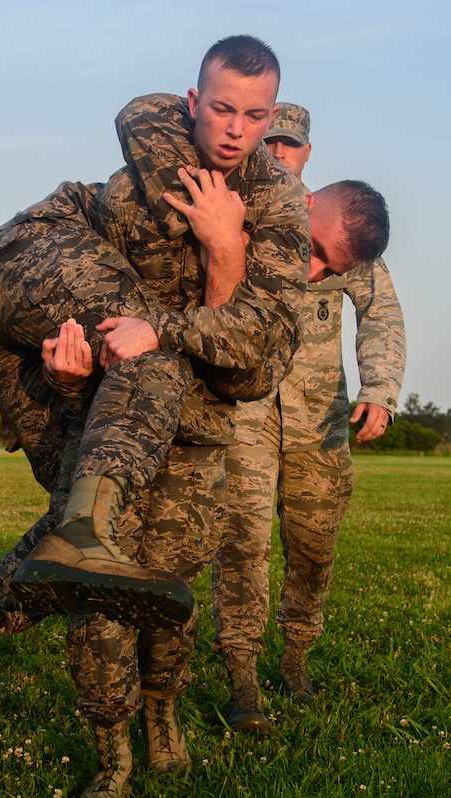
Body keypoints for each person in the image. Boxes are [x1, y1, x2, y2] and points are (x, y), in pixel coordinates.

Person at [0, 34, 313, 798]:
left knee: (151, 579)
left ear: (273, 113)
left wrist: (225, 244)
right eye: (221, 108)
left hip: (126, 393)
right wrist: (212, 270)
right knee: (153, 345)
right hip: (27, 268)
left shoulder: (274, 204)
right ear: (193, 101)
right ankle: (111, 753)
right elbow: (205, 320)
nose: (236, 130)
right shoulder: (158, 132)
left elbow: (260, 362)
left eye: (254, 114)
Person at [210, 102, 406, 734]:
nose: (277, 157)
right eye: (269, 144)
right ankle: (242, 675)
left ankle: (295, 657)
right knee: (242, 542)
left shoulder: (340, 226)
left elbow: (381, 314)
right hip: (244, 410)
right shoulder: (233, 207)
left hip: (318, 416)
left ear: (308, 157)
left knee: (314, 546)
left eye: (288, 146)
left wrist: (381, 388)